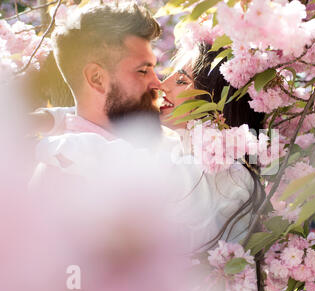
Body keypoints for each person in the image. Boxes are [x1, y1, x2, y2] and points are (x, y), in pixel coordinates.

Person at [30, 3, 262, 255]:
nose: (159, 84)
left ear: (216, 100)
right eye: (142, 71)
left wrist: (39, 143)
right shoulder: (65, 176)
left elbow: (138, 169)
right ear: (96, 79)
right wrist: (52, 120)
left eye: (182, 80)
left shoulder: (226, 175)